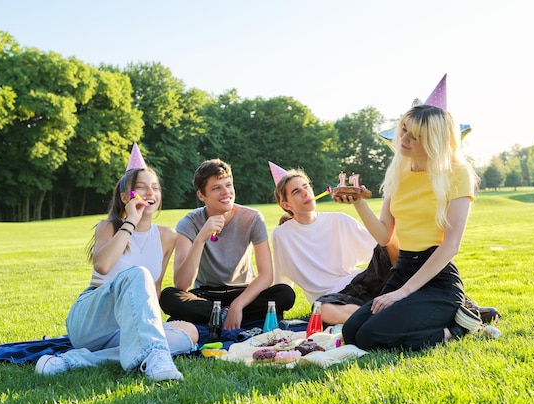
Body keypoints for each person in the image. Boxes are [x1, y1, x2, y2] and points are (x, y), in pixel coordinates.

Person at [340, 104, 489, 351]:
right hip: (402, 271)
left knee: (370, 336)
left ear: (433, 141)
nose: (404, 139)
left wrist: (404, 292)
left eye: (415, 136)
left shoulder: (457, 174)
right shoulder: (398, 172)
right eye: (404, 129)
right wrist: (358, 202)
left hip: (437, 279)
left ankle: (457, 329)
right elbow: (383, 234)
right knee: (352, 331)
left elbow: (451, 245)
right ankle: (443, 321)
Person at [35, 156, 198, 381]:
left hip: (126, 326)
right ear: (125, 197)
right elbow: (102, 266)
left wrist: (151, 328)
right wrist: (130, 221)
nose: (151, 193)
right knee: (139, 274)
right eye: (142, 188)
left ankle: (72, 361)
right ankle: (156, 356)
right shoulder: (109, 227)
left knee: (189, 332)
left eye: (155, 188)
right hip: (92, 319)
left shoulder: (167, 236)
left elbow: (155, 289)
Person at [159, 159, 296, 330]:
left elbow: (266, 275)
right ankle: (226, 316)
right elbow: (182, 284)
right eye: (217, 188)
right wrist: (201, 237)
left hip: (244, 292)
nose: (226, 192)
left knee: (285, 293)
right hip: (207, 295)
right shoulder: (189, 223)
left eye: (228, 185)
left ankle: (218, 317)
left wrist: (238, 305)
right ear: (202, 195)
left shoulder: (252, 218)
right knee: (169, 297)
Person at [271, 168, 400, 325]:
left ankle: (389, 305)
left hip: (363, 281)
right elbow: (282, 281)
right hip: (333, 298)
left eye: (306, 186)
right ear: (286, 204)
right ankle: (384, 317)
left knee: (391, 243)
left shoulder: (339, 220)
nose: (305, 193)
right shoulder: (281, 235)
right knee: (322, 310)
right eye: (297, 191)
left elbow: (381, 247)